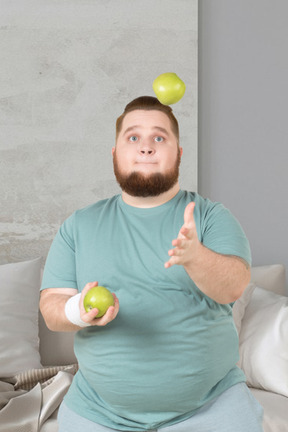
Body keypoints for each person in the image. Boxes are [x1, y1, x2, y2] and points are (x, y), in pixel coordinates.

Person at [40, 96, 264, 432]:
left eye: (159, 138)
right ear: (115, 153)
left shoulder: (212, 217)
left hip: (212, 407)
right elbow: (51, 308)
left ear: (179, 153)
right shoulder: (79, 225)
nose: (146, 147)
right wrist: (77, 310)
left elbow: (233, 285)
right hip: (97, 413)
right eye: (133, 137)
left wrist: (195, 257)